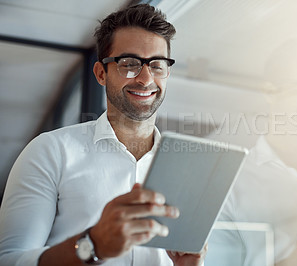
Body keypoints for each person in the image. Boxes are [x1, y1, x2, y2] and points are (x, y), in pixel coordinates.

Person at [0, 4, 207, 266]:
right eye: (129, 63)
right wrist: (93, 245)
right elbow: (10, 260)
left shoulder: (187, 168)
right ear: (100, 73)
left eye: (157, 65)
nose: (145, 78)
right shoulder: (50, 151)